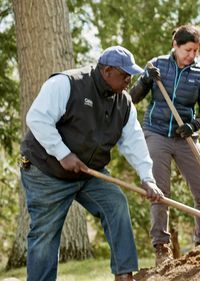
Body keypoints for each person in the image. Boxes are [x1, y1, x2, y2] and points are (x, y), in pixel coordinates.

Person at [20, 46, 164, 281]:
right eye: (125, 75)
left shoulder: (124, 103)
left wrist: (147, 178)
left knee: (116, 203)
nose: (130, 80)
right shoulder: (67, 83)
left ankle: (124, 274)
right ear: (107, 71)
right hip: (46, 172)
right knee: (45, 233)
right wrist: (62, 153)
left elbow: (134, 142)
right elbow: (37, 118)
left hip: (89, 174)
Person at [129, 25, 200, 265]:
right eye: (188, 50)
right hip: (156, 134)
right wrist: (146, 79)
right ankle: (161, 248)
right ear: (175, 45)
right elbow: (133, 98)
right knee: (159, 192)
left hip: (186, 138)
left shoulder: (199, 74)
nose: (192, 55)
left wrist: (193, 125)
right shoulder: (157, 65)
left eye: (196, 51)